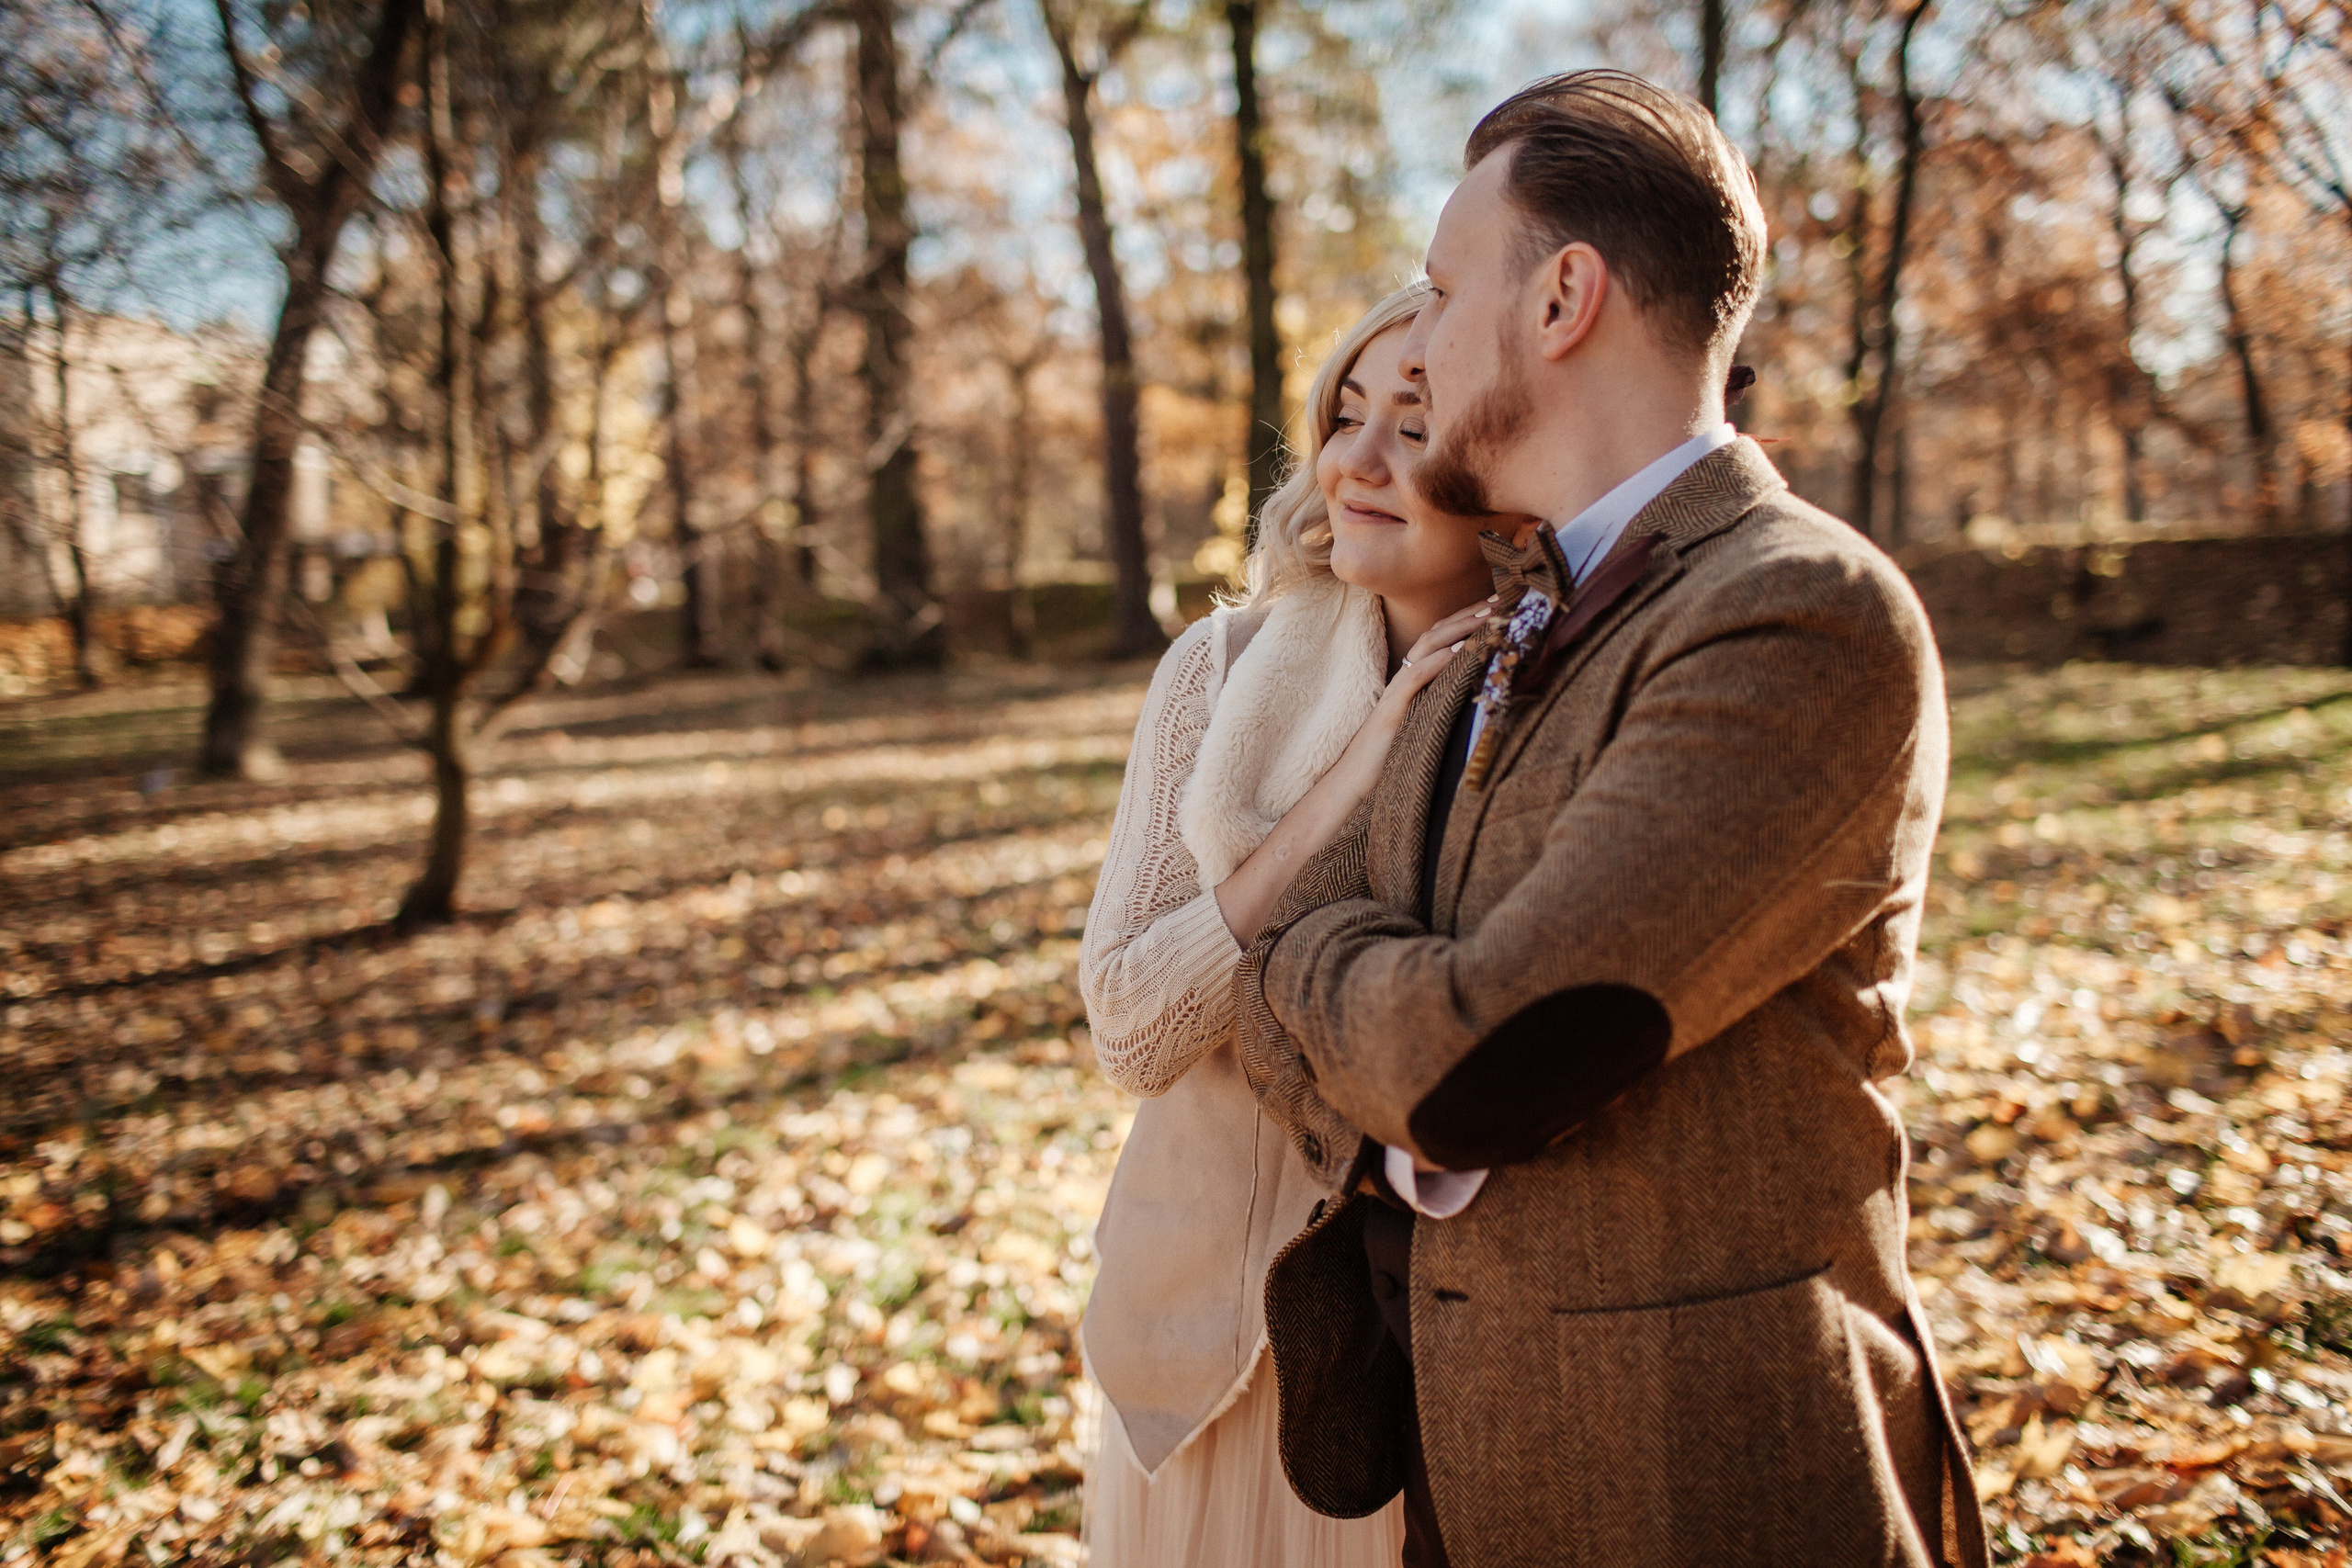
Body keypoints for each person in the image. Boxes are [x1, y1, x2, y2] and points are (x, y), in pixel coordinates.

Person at [1233, 71, 1987, 1567]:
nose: (1423, 342)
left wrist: (1313, 948)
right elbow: (1272, 1039)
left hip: (1700, 1472)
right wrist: (1355, 997)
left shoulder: (1796, 612)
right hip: (1459, 1462)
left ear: (1563, 296)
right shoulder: (1498, 627)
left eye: (1447, 292)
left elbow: (1473, 1065)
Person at [1076, 283, 1507, 1567]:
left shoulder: (1556, 684)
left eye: (1414, 427)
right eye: (1346, 414)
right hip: (1205, 1337)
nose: (1356, 465)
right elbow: (1133, 1029)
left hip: (1436, 1337)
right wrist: (1352, 778)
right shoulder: (1217, 672)